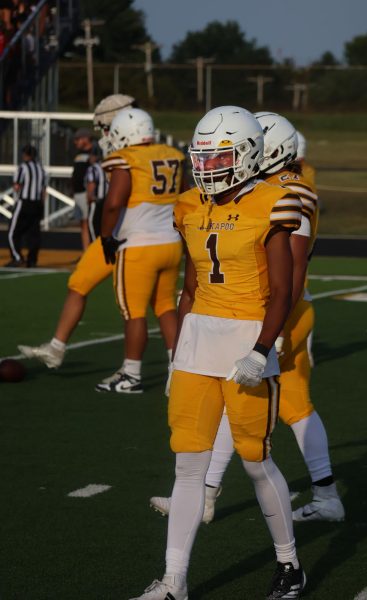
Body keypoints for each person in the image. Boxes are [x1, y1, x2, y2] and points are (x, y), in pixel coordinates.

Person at [131, 106, 305, 600]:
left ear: (249, 155)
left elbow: (282, 290)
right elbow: (189, 287)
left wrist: (261, 349)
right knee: (188, 464)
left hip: (248, 337)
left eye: (218, 156)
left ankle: (289, 564)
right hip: (198, 342)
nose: (206, 167)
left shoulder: (274, 201)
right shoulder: (187, 204)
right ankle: (174, 581)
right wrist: (177, 350)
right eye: (202, 157)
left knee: (253, 458)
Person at [150, 113, 345, 525]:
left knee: (279, 405)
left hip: (278, 311)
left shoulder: (287, 193)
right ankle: (209, 494)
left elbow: (290, 273)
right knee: (267, 403)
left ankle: (316, 495)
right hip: (268, 310)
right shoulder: (271, 191)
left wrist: (270, 332)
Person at [17, 94, 140, 371]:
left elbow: (118, 200)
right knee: (78, 283)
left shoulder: (135, 154)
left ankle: (146, 369)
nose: (106, 134)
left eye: (108, 127)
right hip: (117, 236)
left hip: (138, 237)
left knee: (150, 306)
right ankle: (56, 348)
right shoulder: (128, 151)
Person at [96, 107, 186, 393]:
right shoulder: (171, 154)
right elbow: (185, 196)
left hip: (138, 246)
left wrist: (106, 236)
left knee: (134, 312)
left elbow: (113, 202)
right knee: (166, 307)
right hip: (170, 243)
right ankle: (178, 370)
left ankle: (131, 375)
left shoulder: (126, 159)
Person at [5, 144, 46, 268]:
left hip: (24, 203)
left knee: (12, 232)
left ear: (25, 155)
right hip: (37, 204)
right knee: (34, 233)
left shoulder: (23, 168)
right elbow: (44, 190)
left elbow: (17, 186)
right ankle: (32, 260)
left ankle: (17, 257)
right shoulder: (40, 168)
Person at [71, 127, 94, 251]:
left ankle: (90, 252)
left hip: (86, 193)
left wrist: (90, 193)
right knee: (83, 224)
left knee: (88, 223)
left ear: (85, 139)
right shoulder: (79, 154)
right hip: (78, 193)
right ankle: (86, 252)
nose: (76, 142)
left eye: (78, 139)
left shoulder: (94, 152)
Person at [85, 143, 108, 242]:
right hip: (106, 202)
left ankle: (96, 253)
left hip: (96, 202)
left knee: (93, 227)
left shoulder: (93, 168)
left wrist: (89, 198)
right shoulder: (106, 167)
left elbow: (92, 184)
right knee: (103, 229)